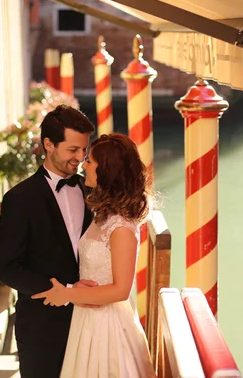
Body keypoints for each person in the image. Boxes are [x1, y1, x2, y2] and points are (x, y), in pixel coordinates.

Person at [32, 133, 156, 377]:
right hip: (87, 317)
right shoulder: (103, 216)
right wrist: (76, 290)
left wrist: (67, 294)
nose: (83, 165)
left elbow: (121, 290)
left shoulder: (120, 227)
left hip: (108, 326)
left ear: (107, 171)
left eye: (89, 161)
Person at [0, 105, 97, 378]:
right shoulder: (19, 199)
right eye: (72, 150)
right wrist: (65, 291)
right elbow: (9, 270)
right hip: (43, 326)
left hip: (93, 321)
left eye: (84, 150)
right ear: (49, 144)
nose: (80, 158)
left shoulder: (92, 190)